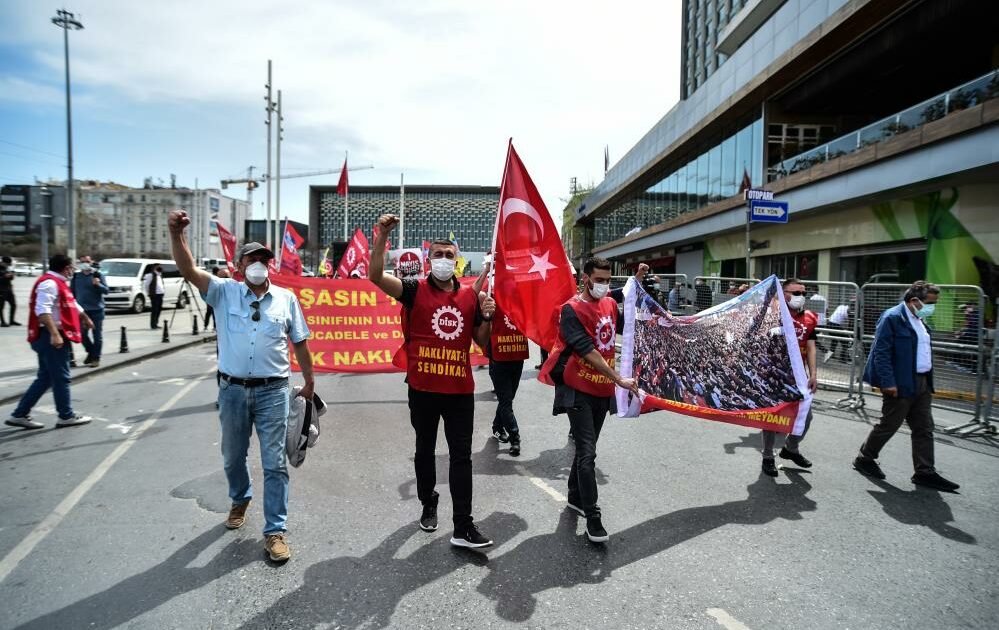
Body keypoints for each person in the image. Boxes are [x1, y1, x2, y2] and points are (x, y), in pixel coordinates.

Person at [168, 210, 315, 562]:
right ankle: (239, 498)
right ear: (239, 266)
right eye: (252, 259)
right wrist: (177, 234)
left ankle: (275, 530)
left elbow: (300, 342)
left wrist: (310, 380)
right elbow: (188, 270)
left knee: (275, 463)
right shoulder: (223, 292)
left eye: (264, 260)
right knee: (233, 456)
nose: (259, 265)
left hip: (274, 391)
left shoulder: (286, 299)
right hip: (232, 391)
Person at [368, 213, 497, 549]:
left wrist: (487, 317)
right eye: (437, 255)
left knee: (461, 457)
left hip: (459, 392)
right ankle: (428, 501)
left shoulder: (471, 296)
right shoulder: (414, 290)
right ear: (429, 260)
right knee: (424, 450)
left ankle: (463, 526)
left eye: (448, 255)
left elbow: (482, 343)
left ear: (458, 261)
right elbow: (375, 276)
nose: (443, 260)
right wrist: (382, 235)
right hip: (423, 390)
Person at [539, 257, 642, 543]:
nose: (603, 285)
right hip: (577, 387)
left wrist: (639, 285)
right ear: (586, 279)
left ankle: (574, 496)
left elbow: (627, 328)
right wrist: (619, 378)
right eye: (599, 279)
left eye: (608, 280)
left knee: (589, 446)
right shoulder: (571, 310)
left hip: (601, 390)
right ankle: (593, 516)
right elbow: (587, 351)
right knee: (587, 452)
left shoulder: (609, 303)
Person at [853, 281, 960, 491]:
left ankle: (925, 471)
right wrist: (888, 382)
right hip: (900, 382)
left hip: (922, 383)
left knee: (924, 428)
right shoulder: (892, 317)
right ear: (914, 301)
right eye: (930, 303)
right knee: (889, 425)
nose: (933, 307)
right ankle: (865, 458)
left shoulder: (920, 320)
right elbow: (881, 353)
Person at [5, 254, 94, 429]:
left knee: (45, 377)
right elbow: (42, 310)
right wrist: (54, 334)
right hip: (50, 337)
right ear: (66, 268)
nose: (73, 271)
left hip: (52, 336)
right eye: (72, 267)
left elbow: (71, 303)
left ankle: (19, 414)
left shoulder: (59, 283)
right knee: (61, 378)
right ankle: (66, 416)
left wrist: (84, 317)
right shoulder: (50, 283)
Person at [760, 278, 818, 477]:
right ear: (782, 293)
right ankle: (768, 456)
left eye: (803, 293)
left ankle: (791, 449)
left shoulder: (809, 317)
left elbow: (811, 347)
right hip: (773, 377)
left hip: (798, 378)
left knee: (806, 417)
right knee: (771, 417)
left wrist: (813, 374)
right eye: (796, 293)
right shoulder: (770, 315)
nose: (801, 297)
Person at [487, 299, 529, 456]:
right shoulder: (491, 301)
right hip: (498, 359)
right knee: (506, 401)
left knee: (508, 399)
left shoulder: (523, 302)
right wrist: (487, 314)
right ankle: (515, 438)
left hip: (517, 357)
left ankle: (497, 427)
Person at [70, 256, 108, 367]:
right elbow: (71, 293)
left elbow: (106, 291)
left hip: (97, 310)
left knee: (97, 336)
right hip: (82, 311)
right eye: (82, 262)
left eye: (87, 262)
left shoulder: (98, 275)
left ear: (91, 262)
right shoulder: (77, 276)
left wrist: (98, 284)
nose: (84, 264)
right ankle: (91, 352)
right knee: (82, 335)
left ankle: (96, 358)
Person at [143, 264, 165, 329]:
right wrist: (149, 293)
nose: (160, 268)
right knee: (154, 310)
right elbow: (146, 285)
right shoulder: (151, 275)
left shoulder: (159, 275)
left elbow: (161, 284)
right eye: (157, 267)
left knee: (159, 309)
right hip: (155, 294)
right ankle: (153, 324)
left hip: (160, 294)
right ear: (154, 268)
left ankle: (156, 323)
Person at [0, 255, 19, 326]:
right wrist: (3, 277)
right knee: (1, 306)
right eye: (7, 264)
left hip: (8, 289)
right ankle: (3, 322)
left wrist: (11, 275)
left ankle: (12, 320)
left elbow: (10, 278)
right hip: (1, 290)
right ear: (2, 262)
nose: (8, 265)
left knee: (13, 305)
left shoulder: (7, 268)